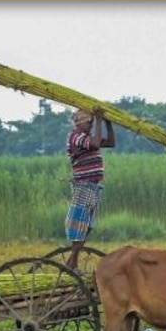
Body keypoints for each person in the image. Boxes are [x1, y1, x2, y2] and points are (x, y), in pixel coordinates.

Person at [64, 107, 115, 269]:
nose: (91, 126)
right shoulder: (76, 136)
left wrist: (108, 123)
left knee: (88, 225)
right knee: (80, 223)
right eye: (89, 123)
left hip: (93, 186)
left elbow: (111, 143)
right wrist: (99, 120)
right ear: (80, 123)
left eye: (92, 123)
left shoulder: (86, 136)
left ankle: (72, 261)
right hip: (84, 184)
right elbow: (94, 144)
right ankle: (73, 262)